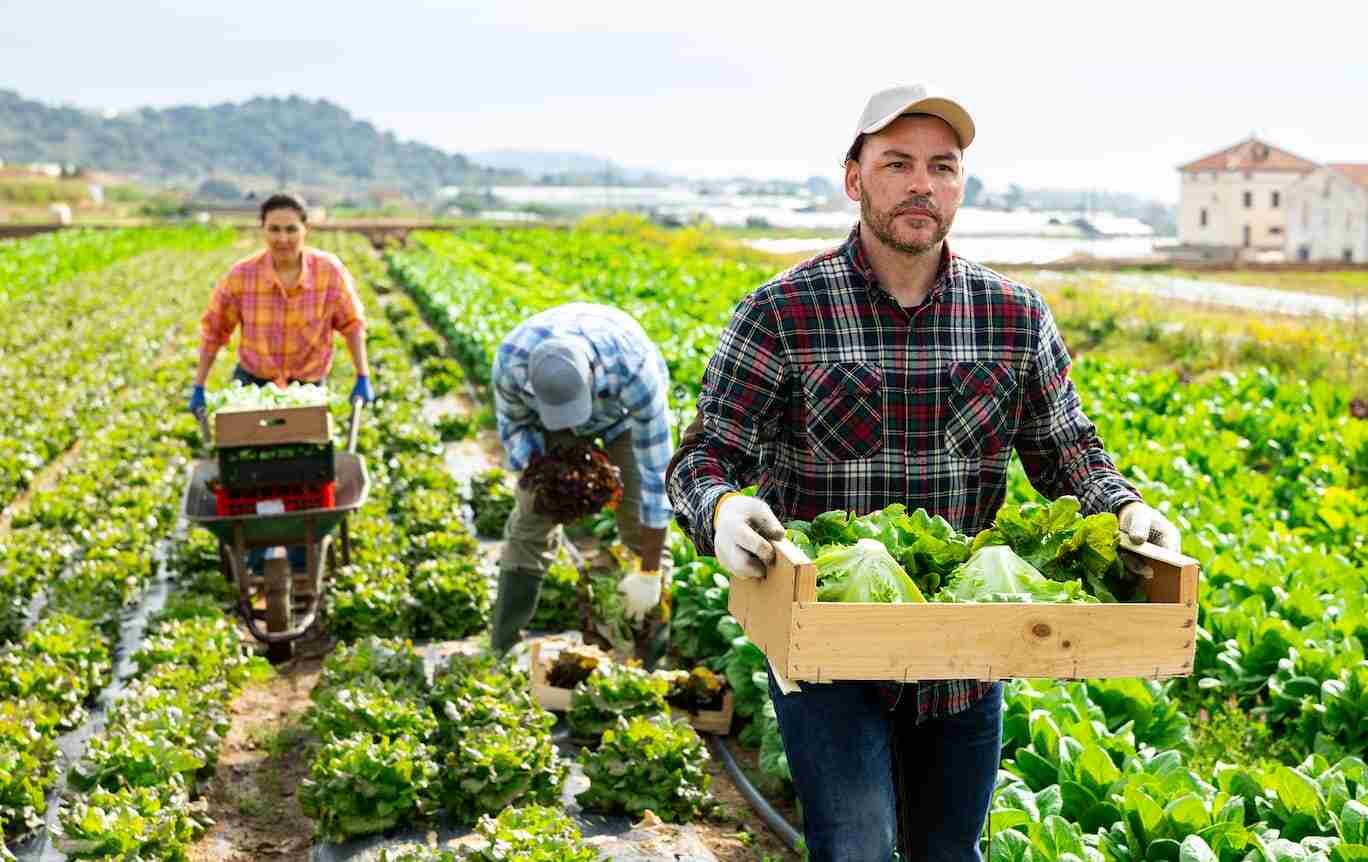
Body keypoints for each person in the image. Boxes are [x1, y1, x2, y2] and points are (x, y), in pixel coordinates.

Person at [665, 82, 1181, 861]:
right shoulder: (781, 313)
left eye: (942, 167)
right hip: (828, 652)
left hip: (966, 657)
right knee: (859, 848)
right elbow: (704, 457)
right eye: (898, 163)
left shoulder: (1014, 316)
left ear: (960, 186)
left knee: (950, 853)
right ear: (854, 178)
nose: (921, 185)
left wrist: (1126, 507)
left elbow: (1066, 451)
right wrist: (723, 507)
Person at [190, 192, 374, 572]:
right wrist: (199, 384)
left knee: (305, 471)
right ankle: (257, 551)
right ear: (263, 230)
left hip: (307, 387)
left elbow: (352, 324)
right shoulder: (242, 276)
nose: (283, 238)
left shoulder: (329, 271)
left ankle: (302, 553)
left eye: (291, 229)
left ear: (306, 229)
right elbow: (214, 331)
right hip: (254, 387)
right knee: (249, 473)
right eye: (274, 229)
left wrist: (363, 375)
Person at [488, 302, 674, 666]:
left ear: (591, 375)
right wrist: (547, 481)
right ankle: (502, 646)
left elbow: (656, 475)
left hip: (620, 419)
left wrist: (649, 571)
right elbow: (515, 432)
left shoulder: (633, 368)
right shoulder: (511, 365)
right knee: (531, 520)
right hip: (547, 426)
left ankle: (650, 659)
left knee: (639, 527)